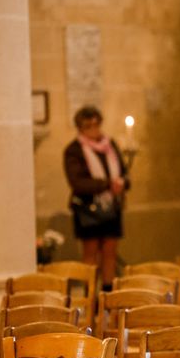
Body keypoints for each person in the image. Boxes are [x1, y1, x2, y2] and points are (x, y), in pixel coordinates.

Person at [63, 105, 129, 291]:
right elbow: (77, 182)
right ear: (80, 127)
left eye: (96, 123)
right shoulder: (74, 150)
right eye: (88, 125)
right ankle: (90, 296)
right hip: (87, 209)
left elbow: (123, 172)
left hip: (111, 207)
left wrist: (122, 183)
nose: (94, 128)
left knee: (110, 252)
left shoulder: (110, 145)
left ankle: (107, 296)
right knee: (90, 254)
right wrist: (108, 184)